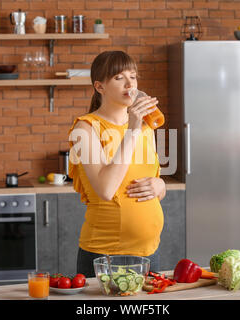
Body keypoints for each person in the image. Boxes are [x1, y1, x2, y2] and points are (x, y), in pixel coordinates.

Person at [68, 51, 166, 277]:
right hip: (106, 255)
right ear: (99, 87)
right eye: (119, 77)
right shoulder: (85, 129)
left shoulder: (145, 128)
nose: (130, 83)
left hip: (150, 252)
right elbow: (106, 189)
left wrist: (160, 186)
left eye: (133, 76)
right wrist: (132, 128)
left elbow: (150, 183)